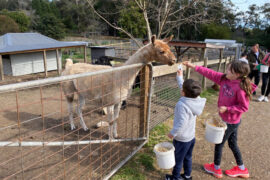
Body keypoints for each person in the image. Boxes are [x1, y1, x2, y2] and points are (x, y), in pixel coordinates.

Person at [182, 60, 256, 179]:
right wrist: (194, 66)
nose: (226, 71)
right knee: (232, 144)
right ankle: (242, 169)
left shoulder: (240, 87)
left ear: (237, 74)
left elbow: (244, 107)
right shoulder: (224, 79)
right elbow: (209, 73)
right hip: (230, 121)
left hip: (230, 122)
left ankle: (216, 169)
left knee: (219, 143)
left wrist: (227, 108)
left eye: (229, 70)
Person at [165, 68, 206, 180]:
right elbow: (185, 88)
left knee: (178, 159)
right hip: (191, 137)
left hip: (181, 139)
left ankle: (175, 177)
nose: (181, 89)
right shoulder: (195, 98)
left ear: (183, 92)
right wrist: (180, 77)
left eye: (182, 88)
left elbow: (181, 123)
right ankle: (187, 175)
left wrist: (173, 133)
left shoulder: (181, 104)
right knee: (188, 157)